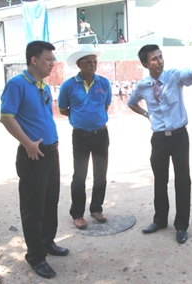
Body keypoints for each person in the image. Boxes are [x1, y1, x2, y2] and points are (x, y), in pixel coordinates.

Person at [127, 44, 192, 244]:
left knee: (183, 181)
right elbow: (131, 102)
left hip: (179, 137)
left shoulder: (174, 76)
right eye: (154, 59)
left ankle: (181, 226)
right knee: (160, 179)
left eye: (160, 56)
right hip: (158, 139)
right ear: (144, 63)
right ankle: (160, 220)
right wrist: (146, 114)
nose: (160, 61)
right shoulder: (143, 86)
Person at [0, 41, 68, 279]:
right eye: (49, 59)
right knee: (33, 209)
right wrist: (27, 143)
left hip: (51, 152)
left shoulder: (43, 86)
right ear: (34, 60)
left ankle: (47, 242)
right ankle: (36, 257)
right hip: (33, 155)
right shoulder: (17, 85)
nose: (53, 63)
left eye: (53, 59)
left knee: (50, 202)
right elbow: (6, 117)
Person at [58, 44, 112, 230]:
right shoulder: (68, 86)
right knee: (79, 176)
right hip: (80, 137)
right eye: (88, 62)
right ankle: (77, 214)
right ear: (79, 64)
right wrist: (81, 119)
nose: (92, 64)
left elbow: (106, 106)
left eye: (94, 61)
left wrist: (94, 119)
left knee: (100, 175)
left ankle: (96, 208)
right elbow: (63, 109)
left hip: (101, 135)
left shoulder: (103, 83)